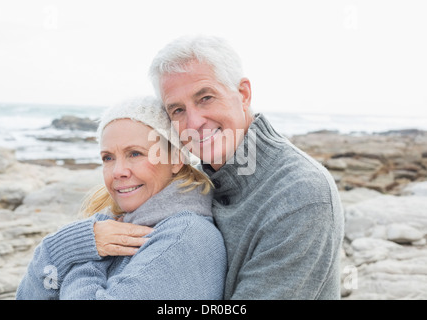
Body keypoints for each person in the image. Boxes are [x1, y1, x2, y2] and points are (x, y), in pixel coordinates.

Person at [145, 35, 345, 299]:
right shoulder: (194, 183)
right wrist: (87, 238)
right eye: (178, 110)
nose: (194, 122)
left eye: (205, 97)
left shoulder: (302, 195)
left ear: (243, 94)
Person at [16, 95, 227, 300]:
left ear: (176, 160)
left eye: (135, 153)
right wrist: (59, 248)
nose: (118, 171)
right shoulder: (108, 227)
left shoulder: (185, 237)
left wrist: (84, 255)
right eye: (108, 158)